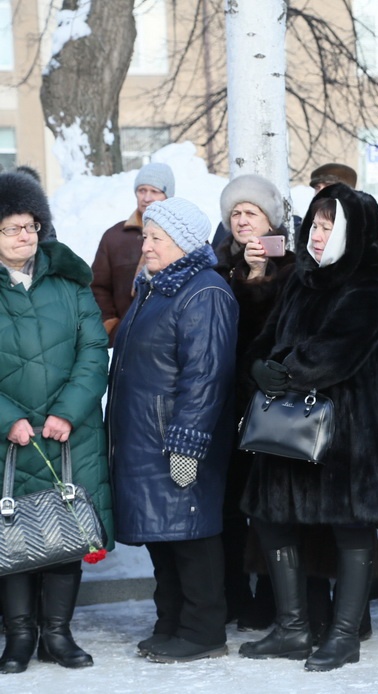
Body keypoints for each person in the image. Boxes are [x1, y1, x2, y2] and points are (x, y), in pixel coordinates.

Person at [238, 183, 378, 672]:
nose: (317, 235)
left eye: (330, 226)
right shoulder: (300, 281)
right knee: (270, 516)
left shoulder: (370, 284)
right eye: (314, 224)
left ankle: (344, 634)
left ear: (352, 232)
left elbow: (338, 352)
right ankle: (292, 628)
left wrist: (285, 370)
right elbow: (265, 338)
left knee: (351, 528)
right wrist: (259, 364)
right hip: (288, 428)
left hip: (346, 432)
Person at [108, 197, 238, 663]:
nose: (145, 246)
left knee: (191, 534)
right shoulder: (156, 288)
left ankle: (203, 630)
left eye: (156, 238)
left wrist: (188, 439)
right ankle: (172, 620)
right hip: (148, 436)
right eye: (146, 236)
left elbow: (206, 375)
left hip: (177, 438)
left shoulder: (204, 292)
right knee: (165, 536)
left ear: (183, 243)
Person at [0, 172, 111, 674]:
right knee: (12, 535)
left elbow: (94, 348)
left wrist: (68, 410)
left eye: (32, 225)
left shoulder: (69, 280)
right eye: (12, 228)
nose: (26, 236)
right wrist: (8, 419)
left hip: (70, 433)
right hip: (9, 440)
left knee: (67, 532)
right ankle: (20, 637)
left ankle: (59, 635)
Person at [214, 173, 296, 630]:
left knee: (268, 506)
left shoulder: (291, 266)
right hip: (226, 403)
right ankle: (232, 594)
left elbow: (270, 332)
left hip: (270, 407)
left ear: (271, 221)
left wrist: (260, 276)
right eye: (236, 213)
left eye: (252, 212)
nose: (242, 220)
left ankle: (270, 598)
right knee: (228, 506)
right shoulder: (218, 263)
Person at [91, 161, 174, 341]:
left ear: (168, 196)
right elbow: (98, 287)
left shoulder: (183, 237)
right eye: (142, 190)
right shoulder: (114, 237)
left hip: (169, 337)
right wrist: (111, 325)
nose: (147, 197)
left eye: (155, 191)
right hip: (125, 337)